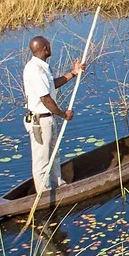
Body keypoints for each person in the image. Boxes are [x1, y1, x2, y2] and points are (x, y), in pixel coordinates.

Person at [23, 36, 86, 193]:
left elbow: (52, 85)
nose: (51, 47)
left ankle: (58, 185)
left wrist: (73, 73)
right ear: (45, 48)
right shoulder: (35, 70)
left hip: (47, 119)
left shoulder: (42, 66)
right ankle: (44, 194)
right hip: (40, 121)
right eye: (49, 45)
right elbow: (45, 99)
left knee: (54, 155)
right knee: (42, 160)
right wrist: (63, 114)